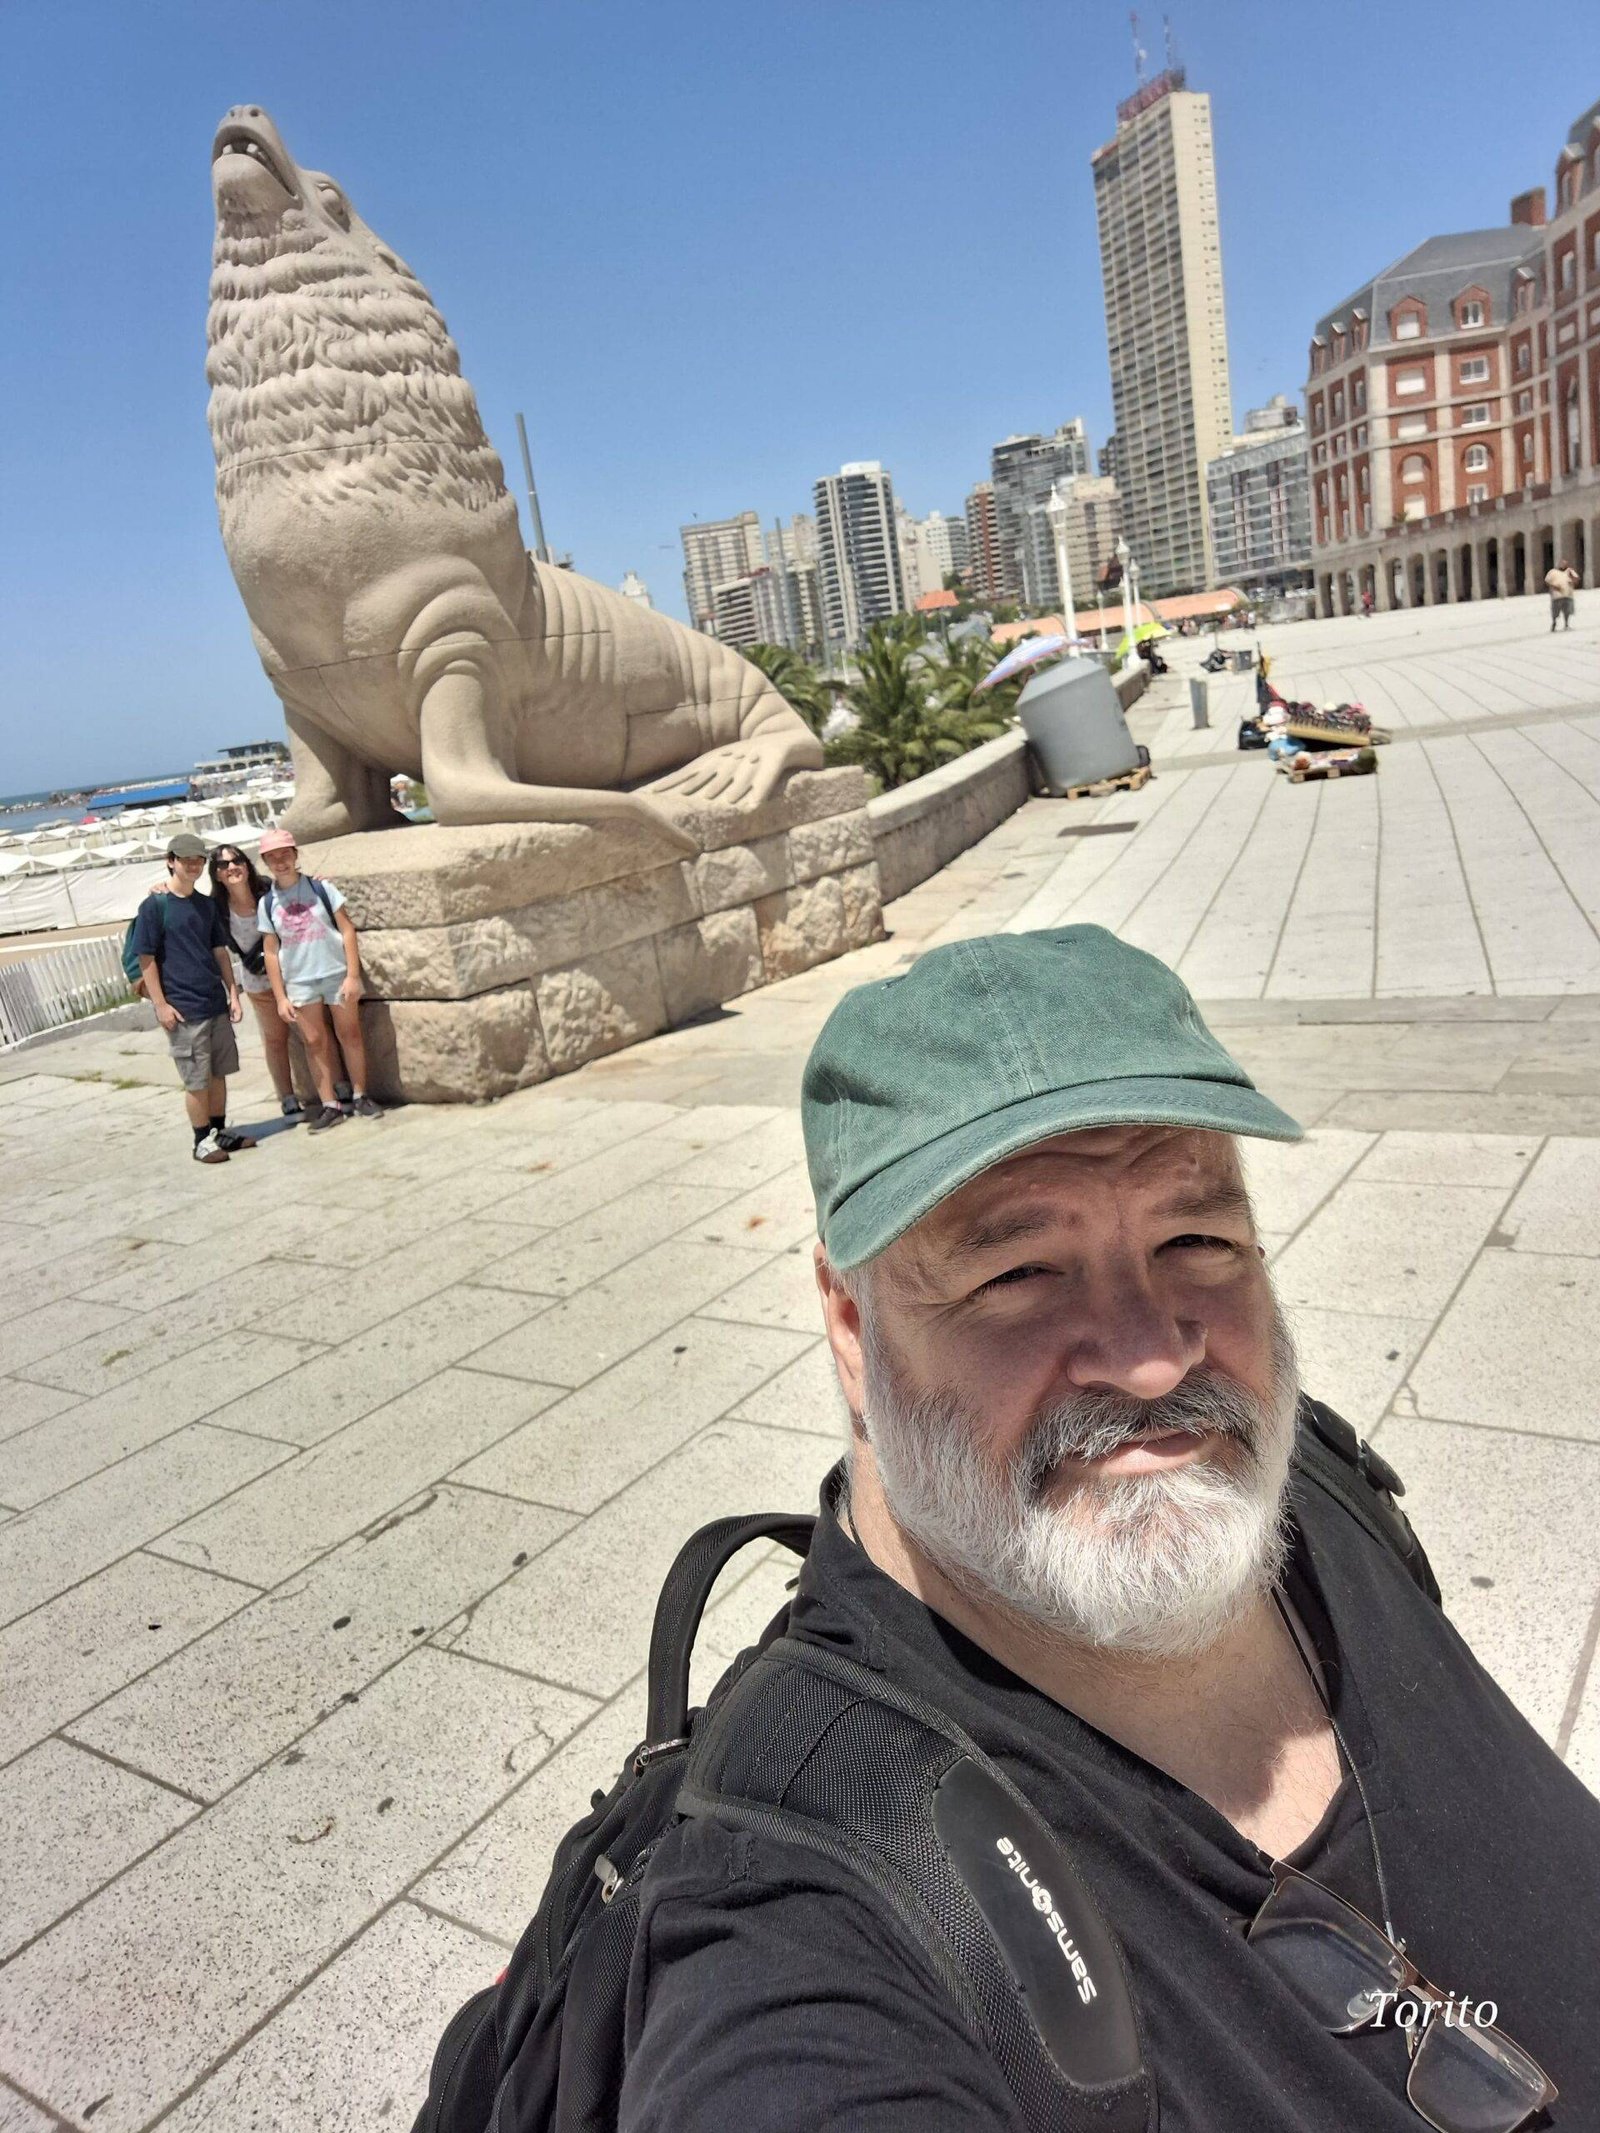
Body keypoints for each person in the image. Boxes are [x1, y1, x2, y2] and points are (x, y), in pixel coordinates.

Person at [618, 928, 1599, 2131]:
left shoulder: (1305, 1489)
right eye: (1019, 1273)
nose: (1151, 1360)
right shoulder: (796, 1911)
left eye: (1195, 1242)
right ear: (849, 1322)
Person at [131, 832, 256, 1165]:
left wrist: (233, 993)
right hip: (183, 1008)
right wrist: (161, 1005)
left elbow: (219, 951)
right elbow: (146, 958)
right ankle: (201, 1141)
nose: (193, 865)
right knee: (196, 1080)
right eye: (186, 860)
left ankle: (219, 1132)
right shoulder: (154, 906)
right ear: (170, 861)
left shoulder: (205, 905)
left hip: (214, 1003)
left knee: (218, 1073)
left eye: (198, 860)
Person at [256, 825, 383, 1130]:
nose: (280, 862)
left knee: (350, 1033)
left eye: (284, 854)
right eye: (273, 857)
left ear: (295, 854)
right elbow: (270, 951)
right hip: (299, 980)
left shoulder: (321, 889)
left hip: (334, 972)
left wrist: (353, 975)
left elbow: (347, 929)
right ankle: (329, 1103)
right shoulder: (267, 903)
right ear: (266, 862)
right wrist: (280, 997)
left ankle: (360, 1094)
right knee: (313, 1041)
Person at [206, 842, 304, 1120]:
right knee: (275, 1040)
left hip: (292, 975)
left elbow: (299, 889)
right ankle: (287, 1096)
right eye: (223, 865)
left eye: (237, 860)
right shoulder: (216, 908)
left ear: (247, 865)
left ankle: (328, 1090)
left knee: (311, 1034)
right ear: (216, 874)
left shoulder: (270, 890)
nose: (232, 867)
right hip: (258, 983)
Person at [1545, 557, 1579, 631]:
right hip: (1557, 595)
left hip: (1568, 594)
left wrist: (1572, 579)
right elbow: (1547, 581)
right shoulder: (1552, 572)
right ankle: (1554, 623)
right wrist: (1554, 587)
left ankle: (1566, 624)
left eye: (1565, 564)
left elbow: (1576, 579)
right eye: (1562, 564)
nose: (1563, 565)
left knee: (1567, 611)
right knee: (1555, 611)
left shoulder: (1569, 571)